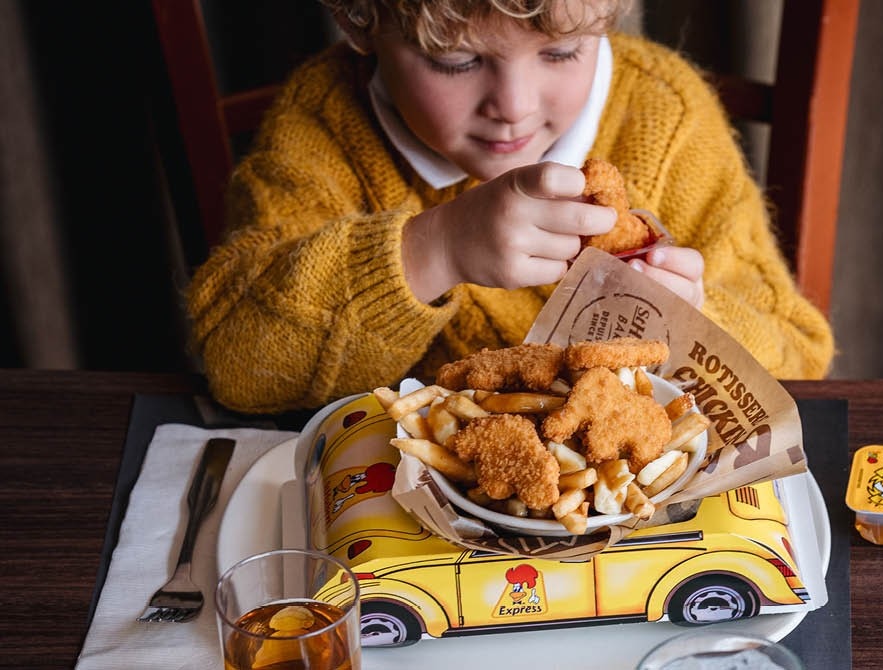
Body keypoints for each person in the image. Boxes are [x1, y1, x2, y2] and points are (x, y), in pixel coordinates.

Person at [185, 0, 834, 414]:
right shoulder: (322, 125)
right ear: (362, 22)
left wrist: (694, 323)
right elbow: (239, 371)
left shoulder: (664, 114)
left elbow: (800, 362)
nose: (516, 106)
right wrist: (431, 249)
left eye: (560, 52)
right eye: (457, 60)